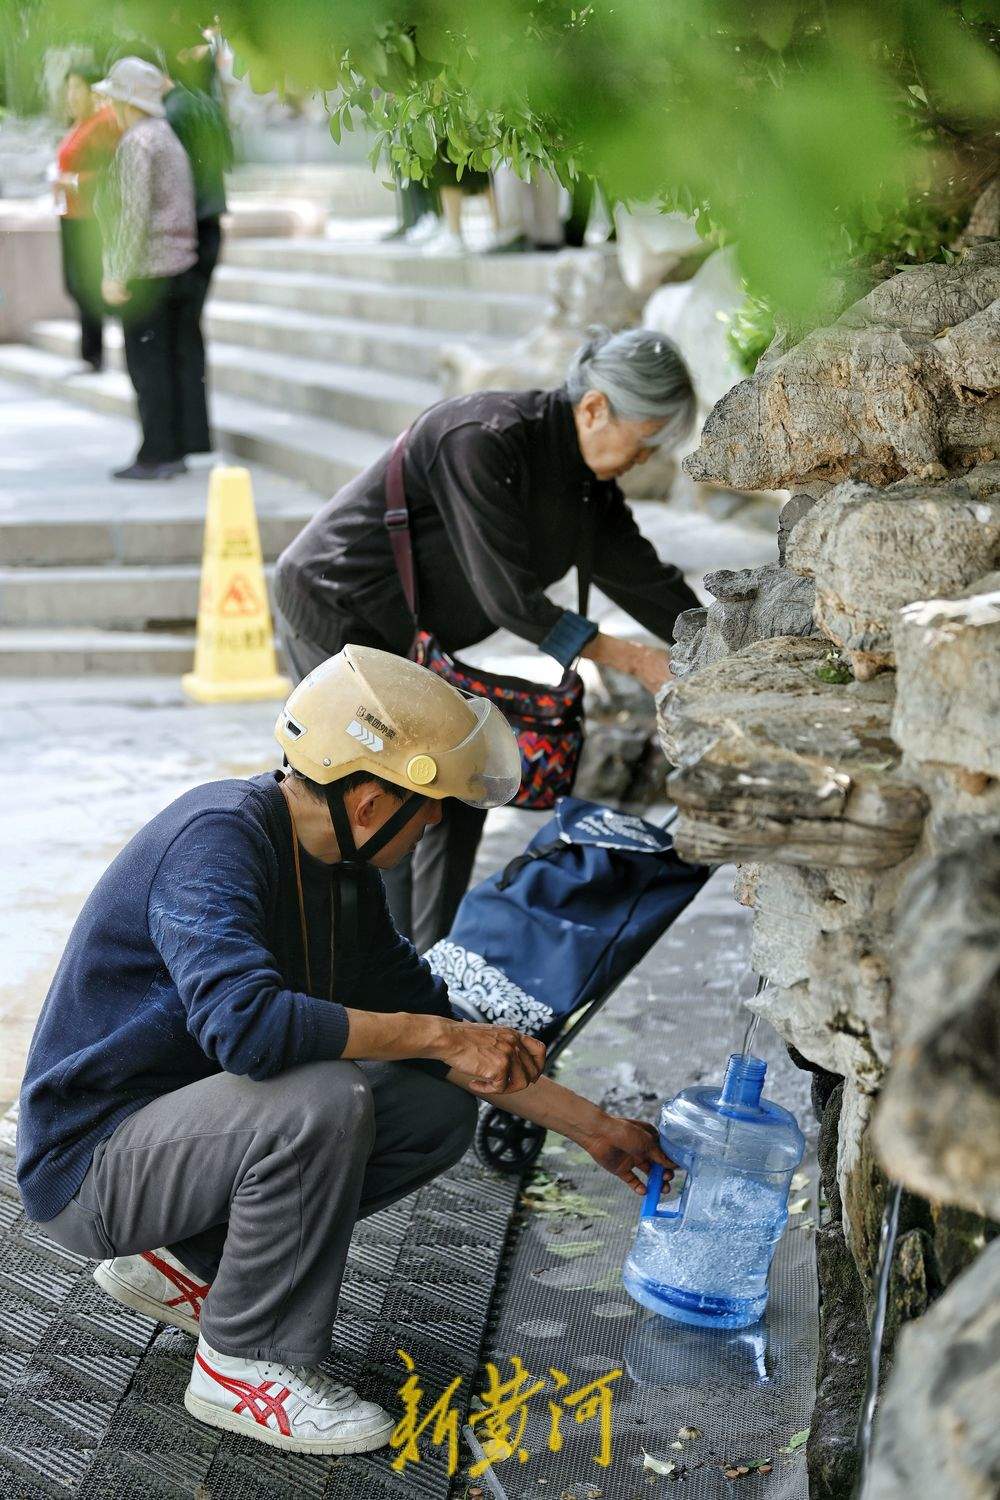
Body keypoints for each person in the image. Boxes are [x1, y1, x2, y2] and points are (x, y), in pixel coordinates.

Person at [16, 646, 672, 1455]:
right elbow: (247, 1029)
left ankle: (189, 1268)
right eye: (430, 805)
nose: (435, 824)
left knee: (432, 1108)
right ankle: (243, 1366)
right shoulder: (215, 841)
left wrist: (594, 1127)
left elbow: (442, 1035)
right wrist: (438, 1035)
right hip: (91, 1166)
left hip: (178, 1140)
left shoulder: (339, 875)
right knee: (325, 1097)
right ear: (369, 801)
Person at [274, 326, 701, 952]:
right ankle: (378, 973)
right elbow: (509, 598)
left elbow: (647, 582)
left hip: (412, 635)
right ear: (594, 409)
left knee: (454, 786)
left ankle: (429, 961)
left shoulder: (588, 488)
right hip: (338, 605)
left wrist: (721, 644)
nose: (647, 461)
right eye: (645, 443)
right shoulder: (483, 438)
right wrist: (634, 659)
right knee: (383, 798)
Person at [93, 57, 210, 481]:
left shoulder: (137, 142)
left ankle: (155, 453)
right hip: (181, 268)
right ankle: (172, 451)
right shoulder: (167, 136)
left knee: (148, 367)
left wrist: (117, 271)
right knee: (172, 363)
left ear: (124, 101)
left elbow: (133, 213)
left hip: (149, 274)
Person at [50, 63, 121, 372]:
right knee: (74, 284)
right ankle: (90, 351)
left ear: (93, 90)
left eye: (77, 87)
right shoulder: (78, 124)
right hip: (70, 213)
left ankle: (93, 355)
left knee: (86, 285)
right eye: (69, 88)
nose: (71, 95)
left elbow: (112, 172)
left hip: (90, 217)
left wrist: (74, 181)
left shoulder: (103, 122)